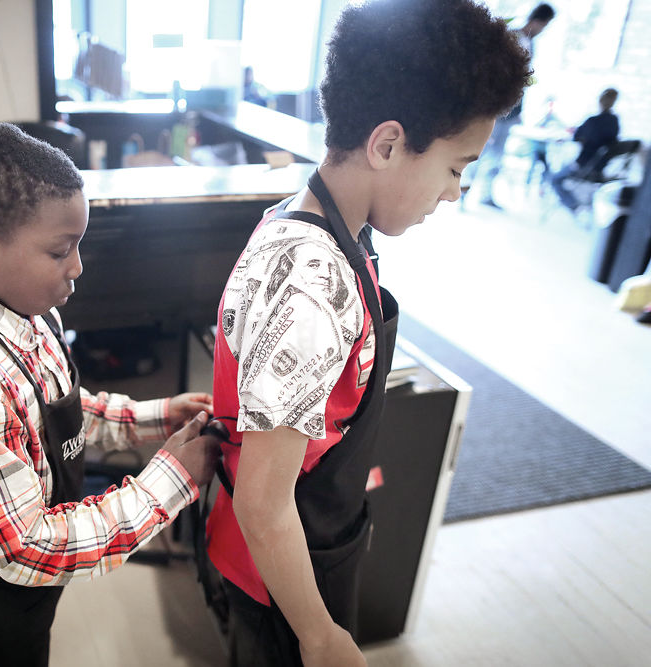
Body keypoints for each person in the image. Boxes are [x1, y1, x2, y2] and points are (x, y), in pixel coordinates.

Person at [201, 1, 531, 666]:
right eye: (455, 167)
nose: (454, 192)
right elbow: (266, 506)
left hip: (314, 534)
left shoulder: (327, 223)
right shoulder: (308, 285)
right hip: (282, 573)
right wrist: (319, 635)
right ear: (387, 145)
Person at [0, 122, 221, 665]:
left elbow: (54, 408)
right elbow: (25, 549)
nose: (78, 267)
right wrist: (172, 481)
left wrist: (154, 416)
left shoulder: (28, 310)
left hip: (19, 572)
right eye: (61, 249)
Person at [471, 2, 555, 209]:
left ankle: (483, 193)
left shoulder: (526, 41)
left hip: (509, 108)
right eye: (544, 26)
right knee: (482, 150)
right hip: (498, 107)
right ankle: (466, 191)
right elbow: (506, 77)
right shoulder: (515, 38)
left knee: (496, 153)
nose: (543, 31)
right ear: (538, 22)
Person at [550, 88, 621, 212]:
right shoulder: (614, 121)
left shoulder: (593, 121)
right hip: (599, 169)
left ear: (600, 101)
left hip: (583, 167)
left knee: (554, 179)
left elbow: (576, 136)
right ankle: (579, 205)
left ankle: (574, 206)